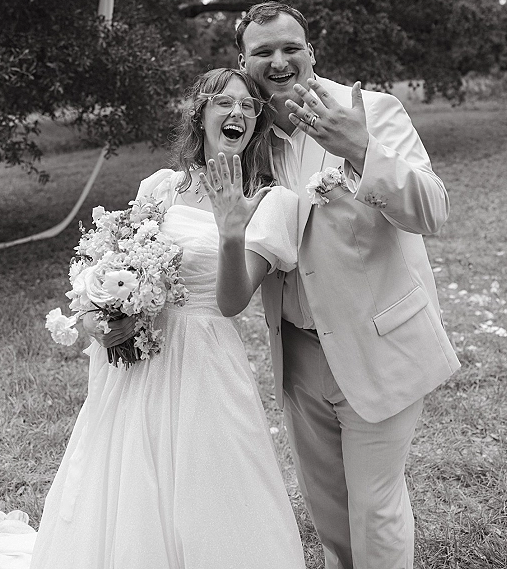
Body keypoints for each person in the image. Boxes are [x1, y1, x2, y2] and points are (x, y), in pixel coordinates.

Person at [29, 68, 306, 569]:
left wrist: (229, 231)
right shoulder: (161, 186)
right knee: (132, 471)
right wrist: (101, 311)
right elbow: (120, 260)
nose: (237, 113)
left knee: (209, 479)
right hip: (143, 354)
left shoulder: (272, 200)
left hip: (207, 358)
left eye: (248, 106)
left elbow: (232, 302)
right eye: (224, 102)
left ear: (258, 123)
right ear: (199, 113)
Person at [237, 1, 461, 569]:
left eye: (291, 47)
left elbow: (433, 211)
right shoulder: (246, 137)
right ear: (244, 61)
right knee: (328, 506)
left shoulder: (374, 111)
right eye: (263, 52)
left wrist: (361, 150)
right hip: (299, 351)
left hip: (377, 344)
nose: (279, 61)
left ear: (312, 51)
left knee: (375, 506)